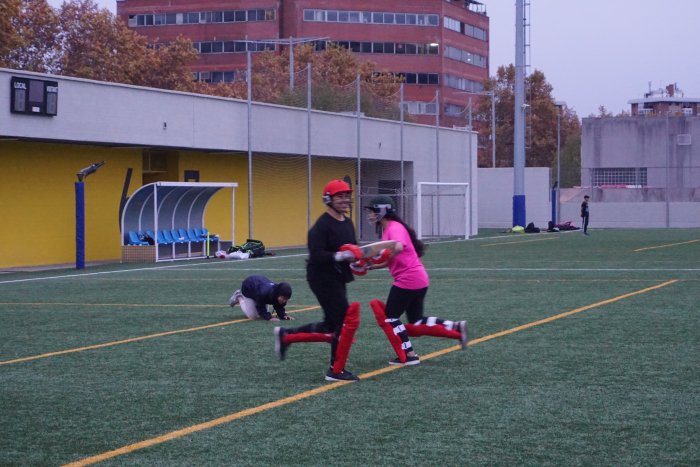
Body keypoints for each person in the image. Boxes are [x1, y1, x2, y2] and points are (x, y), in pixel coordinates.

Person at [274, 179, 363, 382]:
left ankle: (286, 336)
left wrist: (359, 263)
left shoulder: (348, 222)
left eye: (347, 196)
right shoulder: (321, 226)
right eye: (339, 196)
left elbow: (353, 249)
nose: (344, 200)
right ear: (328, 199)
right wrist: (339, 257)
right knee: (343, 320)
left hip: (338, 277)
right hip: (322, 278)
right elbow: (316, 255)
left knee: (331, 325)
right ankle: (335, 370)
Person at [362, 195, 468, 366]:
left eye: (373, 211)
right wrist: (371, 266)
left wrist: (377, 255)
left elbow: (397, 247)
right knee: (417, 320)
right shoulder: (390, 229)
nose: (370, 215)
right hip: (419, 278)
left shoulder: (393, 227)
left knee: (390, 317)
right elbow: (391, 258)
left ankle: (410, 354)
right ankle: (455, 326)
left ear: (383, 211)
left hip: (408, 278)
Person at [229, 275, 294, 321]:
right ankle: (239, 297)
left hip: (258, 287)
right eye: (283, 298)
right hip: (248, 287)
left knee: (261, 315)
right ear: (278, 294)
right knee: (253, 316)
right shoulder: (264, 293)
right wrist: (269, 318)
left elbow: (279, 306)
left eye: (286, 299)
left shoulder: (277, 292)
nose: (284, 301)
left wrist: (284, 316)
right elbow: (260, 306)